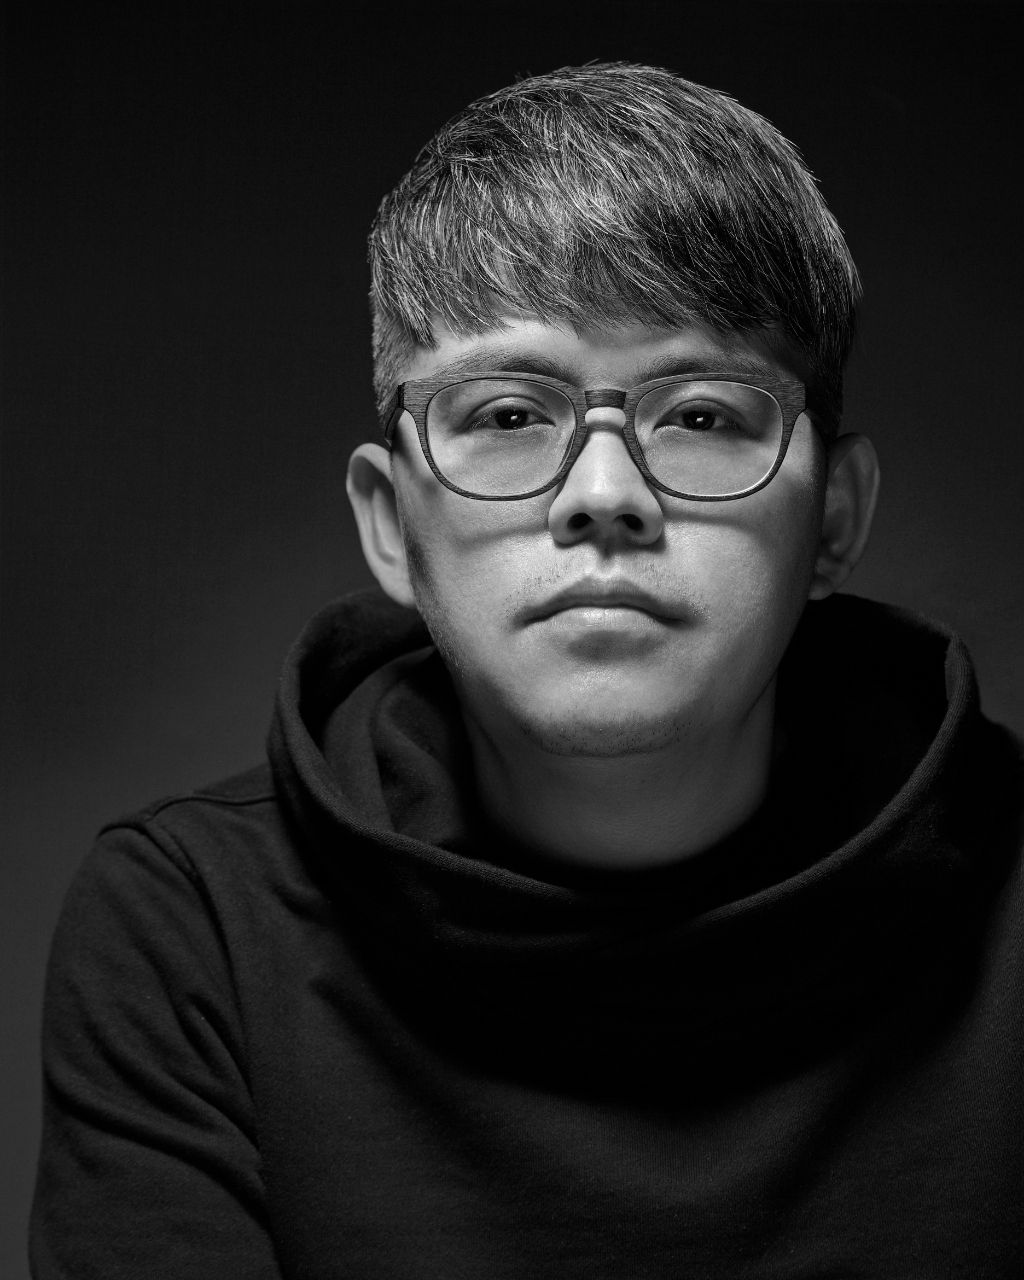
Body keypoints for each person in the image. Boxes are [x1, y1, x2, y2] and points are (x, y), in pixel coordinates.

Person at [30, 63, 1022, 1278]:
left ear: (835, 517)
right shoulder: (191, 922)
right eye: (506, 415)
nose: (603, 495)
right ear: (389, 523)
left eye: (701, 413)